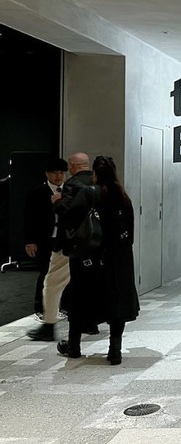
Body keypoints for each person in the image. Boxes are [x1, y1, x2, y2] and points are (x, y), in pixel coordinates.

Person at [57, 155, 139, 364]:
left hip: (90, 257)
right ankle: (115, 350)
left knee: (79, 298)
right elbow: (129, 231)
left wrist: (57, 204)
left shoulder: (89, 193)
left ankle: (74, 347)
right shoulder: (123, 196)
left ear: (95, 174)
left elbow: (68, 220)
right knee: (116, 302)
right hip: (118, 258)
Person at [28, 152, 94, 341]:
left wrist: (57, 203)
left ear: (72, 167)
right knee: (87, 282)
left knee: (53, 282)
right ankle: (89, 322)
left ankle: (49, 325)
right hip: (94, 243)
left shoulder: (73, 185)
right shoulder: (99, 184)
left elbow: (69, 215)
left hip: (70, 243)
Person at [23, 157, 67, 322]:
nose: (58, 177)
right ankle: (40, 308)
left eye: (61, 173)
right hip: (44, 239)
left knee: (64, 274)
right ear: (47, 174)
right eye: (55, 173)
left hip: (64, 238)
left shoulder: (69, 191)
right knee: (45, 273)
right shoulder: (37, 192)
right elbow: (29, 219)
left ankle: (62, 306)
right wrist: (30, 241)